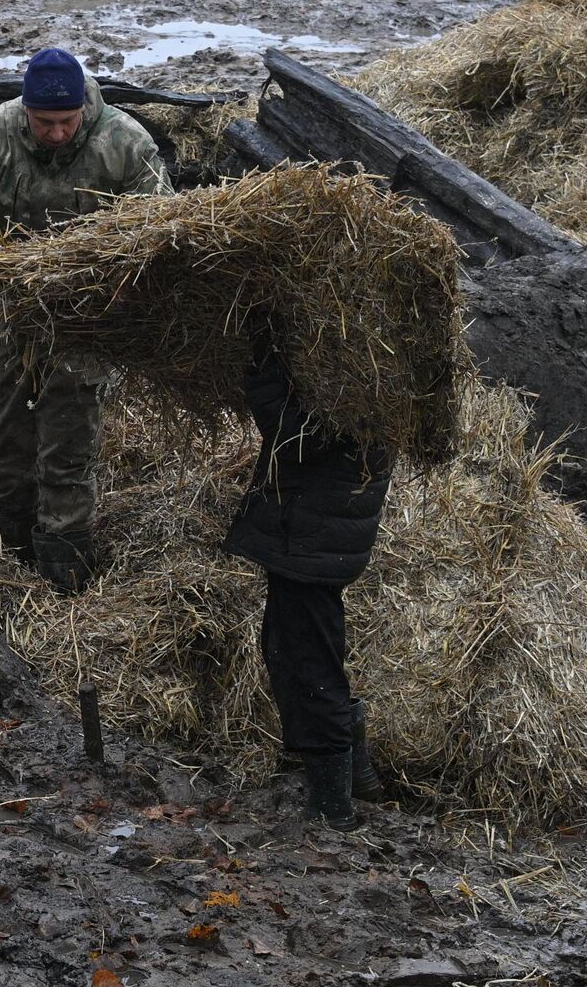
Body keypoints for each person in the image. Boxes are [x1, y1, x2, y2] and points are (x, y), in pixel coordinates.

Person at [0, 48, 171, 592]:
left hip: (91, 314)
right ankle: (2, 553)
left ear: (83, 106)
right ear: (26, 111)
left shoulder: (126, 143)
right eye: (44, 123)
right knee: (7, 433)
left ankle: (64, 570)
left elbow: (162, 234)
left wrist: (120, 292)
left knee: (67, 443)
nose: (56, 134)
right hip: (19, 305)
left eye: (66, 122)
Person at [221, 338, 394, 829]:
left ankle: (334, 812)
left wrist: (259, 363)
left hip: (316, 528)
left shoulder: (353, 363)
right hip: (323, 523)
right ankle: (356, 782)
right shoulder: (365, 345)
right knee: (299, 650)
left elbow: (295, 433)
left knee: (308, 666)